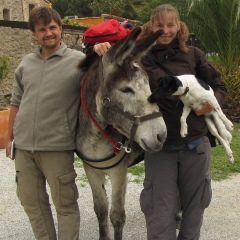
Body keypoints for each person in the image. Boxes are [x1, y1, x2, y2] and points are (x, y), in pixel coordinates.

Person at [94, 4, 228, 240]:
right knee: (159, 214)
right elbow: (110, 67)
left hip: (195, 146)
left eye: (171, 25)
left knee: (193, 212)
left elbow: (219, 86)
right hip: (161, 149)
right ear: (151, 27)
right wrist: (99, 48)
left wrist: (212, 103)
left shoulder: (194, 55)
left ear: (179, 26)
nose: (165, 30)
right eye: (159, 25)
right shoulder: (138, 58)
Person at [5, 6, 85, 240]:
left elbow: (104, 75)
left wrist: (102, 50)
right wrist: (9, 137)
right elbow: (16, 103)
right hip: (24, 147)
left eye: (52, 27)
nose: (48, 33)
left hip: (56, 147)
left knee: (66, 206)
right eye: (42, 30)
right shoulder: (26, 63)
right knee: (33, 205)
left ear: (60, 28)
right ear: (34, 33)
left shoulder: (78, 61)